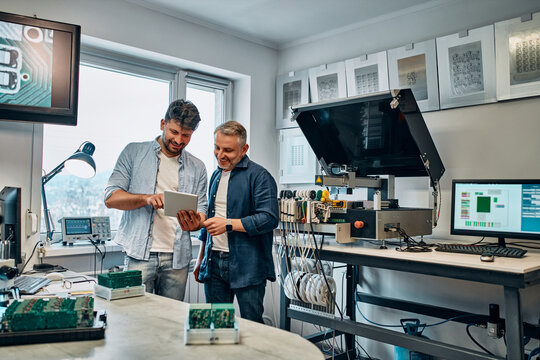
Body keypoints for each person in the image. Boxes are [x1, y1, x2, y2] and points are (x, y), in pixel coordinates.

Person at [104, 99, 207, 301]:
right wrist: (146, 198)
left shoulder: (198, 166)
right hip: (138, 256)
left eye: (186, 136)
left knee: (171, 322)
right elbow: (111, 197)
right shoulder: (133, 152)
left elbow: (202, 210)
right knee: (134, 319)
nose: (178, 140)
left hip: (178, 259)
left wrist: (197, 222)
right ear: (163, 124)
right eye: (174, 132)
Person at [191, 120, 278, 323]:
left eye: (228, 150)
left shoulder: (260, 176)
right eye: (217, 147)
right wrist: (200, 259)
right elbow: (210, 222)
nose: (220, 155)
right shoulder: (216, 176)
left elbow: (269, 218)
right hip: (213, 263)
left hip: (248, 264)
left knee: (252, 324)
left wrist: (228, 224)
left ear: (244, 148)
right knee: (217, 325)